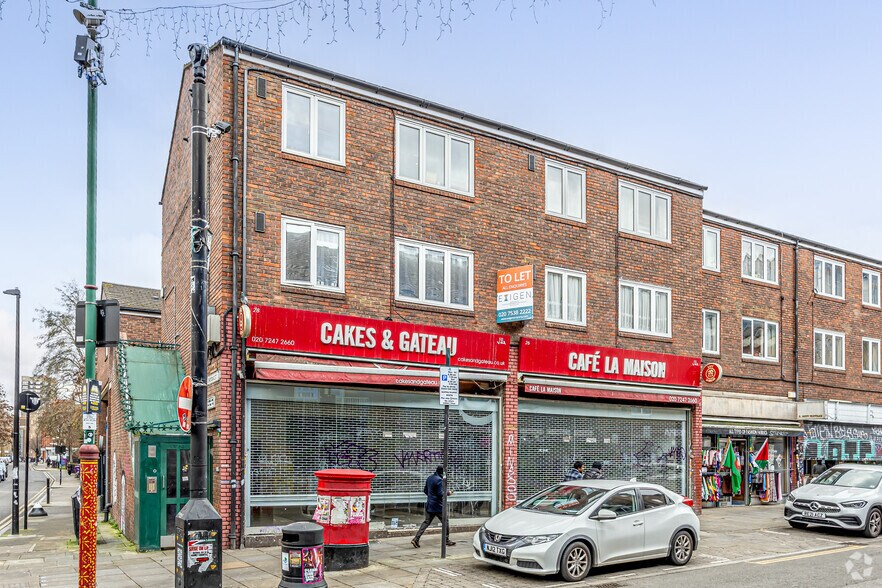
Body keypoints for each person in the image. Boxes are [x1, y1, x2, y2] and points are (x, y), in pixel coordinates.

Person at [412, 466, 455, 548]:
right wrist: (448, 493)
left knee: (426, 522)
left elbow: (425, 490)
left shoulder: (430, 478)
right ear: (442, 472)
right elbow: (440, 493)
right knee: (445, 522)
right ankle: (446, 540)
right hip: (438, 506)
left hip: (430, 504)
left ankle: (416, 539)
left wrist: (431, 497)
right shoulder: (439, 480)